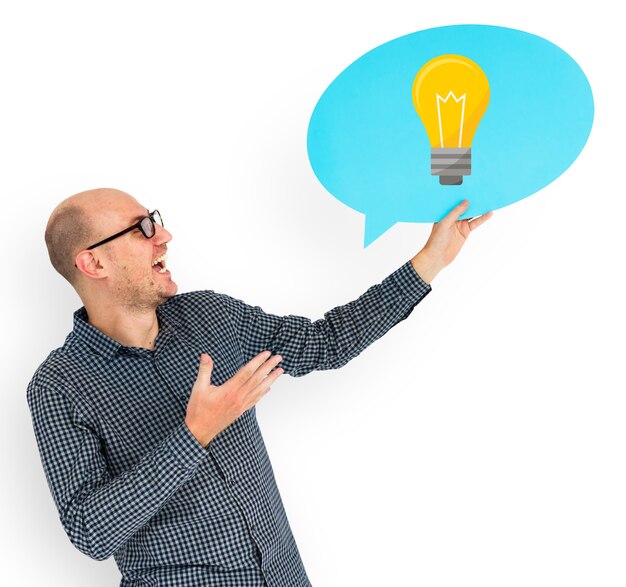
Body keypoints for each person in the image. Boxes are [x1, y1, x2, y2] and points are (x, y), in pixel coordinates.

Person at [27, 188, 493, 586]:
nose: (163, 235)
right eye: (142, 229)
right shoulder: (58, 386)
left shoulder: (210, 317)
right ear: (93, 262)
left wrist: (429, 262)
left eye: (157, 222)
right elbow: (90, 531)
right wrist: (194, 435)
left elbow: (325, 342)